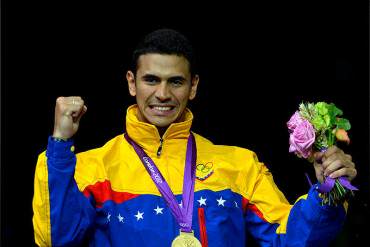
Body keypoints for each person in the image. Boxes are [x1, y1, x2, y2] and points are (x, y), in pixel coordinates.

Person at [32, 29, 357, 247]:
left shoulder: (239, 165)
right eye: (151, 80)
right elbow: (54, 238)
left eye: (175, 81)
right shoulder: (91, 168)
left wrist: (327, 193)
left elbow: (289, 239)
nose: (162, 94)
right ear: (132, 83)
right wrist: (60, 144)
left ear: (194, 86)